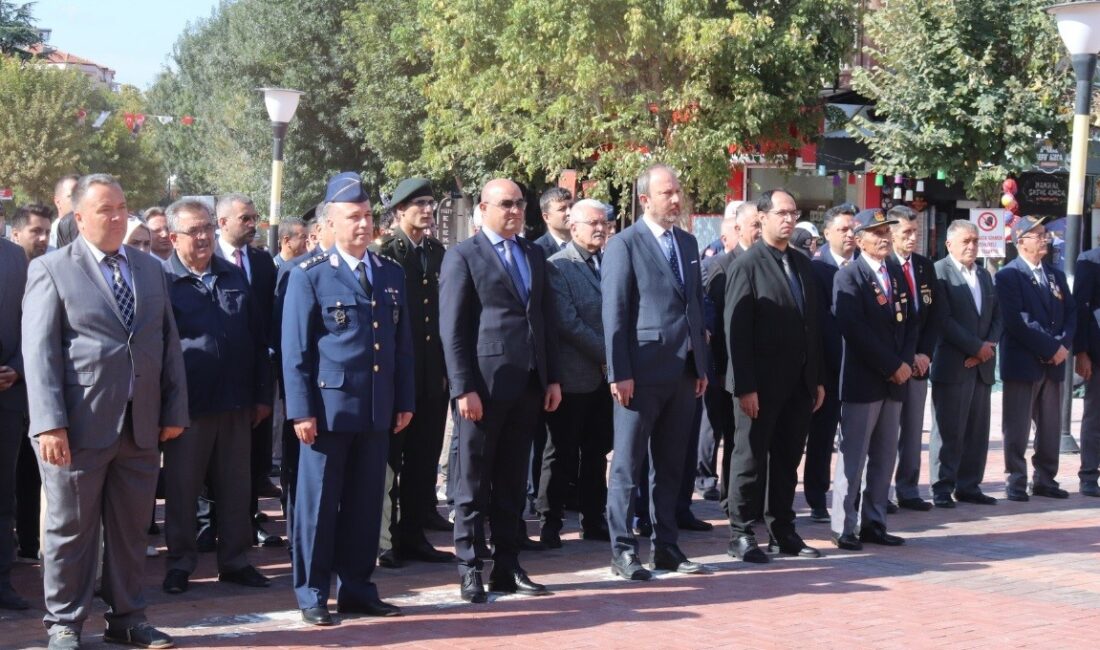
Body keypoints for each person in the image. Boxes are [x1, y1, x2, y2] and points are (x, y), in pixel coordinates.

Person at [23, 173, 189, 650]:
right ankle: (64, 623)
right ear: (78, 217)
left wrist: (174, 408)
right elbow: (40, 354)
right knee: (69, 531)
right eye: (104, 210)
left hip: (140, 425)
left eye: (121, 207)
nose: (117, 217)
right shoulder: (52, 269)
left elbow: (167, 343)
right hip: (76, 427)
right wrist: (50, 422)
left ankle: (128, 618)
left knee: (130, 529)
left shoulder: (149, 268)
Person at [282, 172, 415, 625]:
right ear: (330, 224)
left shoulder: (389, 273)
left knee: (364, 505)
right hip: (327, 411)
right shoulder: (310, 276)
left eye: (368, 216)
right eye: (353, 217)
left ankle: (358, 587)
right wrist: (300, 409)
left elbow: (402, 346)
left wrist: (404, 399)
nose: (364, 225)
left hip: (376, 408)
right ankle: (313, 592)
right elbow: (295, 352)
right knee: (318, 506)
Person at [439, 178, 562, 603]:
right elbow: (453, 329)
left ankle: (508, 567)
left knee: (513, 482)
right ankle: (470, 566)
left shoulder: (533, 254)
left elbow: (545, 320)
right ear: (484, 208)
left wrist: (551, 378)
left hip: (527, 383)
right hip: (483, 388)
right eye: (506, 204)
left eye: (520, 204)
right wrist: (463, 387)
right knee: (473, 481)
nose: (514, 211)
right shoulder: (463, 256)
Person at [160, 199, 273, 595]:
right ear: (174, 238)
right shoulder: (162, 281)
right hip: (187, 407)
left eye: (208, 227)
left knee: (236, 487)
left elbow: (259, 340)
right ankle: (181, 563)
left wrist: (261, 395)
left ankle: (236, 561)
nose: (205, 236)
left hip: (236, 403)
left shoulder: (233, 276)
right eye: (195, 231)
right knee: (182, 489)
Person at [603, 164, 708, 581]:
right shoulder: (624, 244)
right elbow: (615, 312)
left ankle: (666, 546)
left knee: (670, 466)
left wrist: (700, 363)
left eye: (678, 191)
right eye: (668, 193)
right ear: (645, 199)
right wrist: (619, 371)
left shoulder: (687, 242)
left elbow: (695, 305)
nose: (676, 200)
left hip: (682, 371)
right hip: (640, 372)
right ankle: (623, 550)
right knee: (627, 466)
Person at [724, 189, 825, 563]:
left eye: (793, 213)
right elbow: (737, 332)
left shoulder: (801, 264)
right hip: (760, 386)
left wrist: (816, 379)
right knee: (750, 457)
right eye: (781, 213)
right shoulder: (747, 265)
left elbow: (812, 325)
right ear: (762, 217)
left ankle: (782, 529)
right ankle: (741, 532)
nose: (788, 220)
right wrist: (745, 386)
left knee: (787, 459)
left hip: (798, 383)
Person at [371, 178, 454, 566]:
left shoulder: (438, 253)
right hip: (395, 375)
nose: (427, 210)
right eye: (419, 203)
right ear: (399, 211)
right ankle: (384, 540)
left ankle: (414, 534)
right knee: (390, 462)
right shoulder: (385, 253)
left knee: (423, 461)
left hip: (432, 376)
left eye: (431, 203)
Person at [830, 208, 916, 551]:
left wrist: (905, 362)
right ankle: (843, 526)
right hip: (864, 381)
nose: (883, 238)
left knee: (884, 456)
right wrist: (891, 364)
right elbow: (854, 329)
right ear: (860, 238)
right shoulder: (849, 276)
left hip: (895, 380)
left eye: (886, 232)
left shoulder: (895, 273)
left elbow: (910, 322)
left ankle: (874, 522)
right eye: (876, 233)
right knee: (854, 458)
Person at [539, 198, 614, 547]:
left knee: (597, 452)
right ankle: (550, 521)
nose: (600, 228)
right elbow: (567, 322)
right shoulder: (557, 266)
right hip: (572, 377)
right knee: (561, 452)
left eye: (605, 223)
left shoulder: (612, 261)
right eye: (593, 223)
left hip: (604, 379)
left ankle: (593, 518)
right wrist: (608, 353)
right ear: (573, 227)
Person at [213, 193, 281, 545]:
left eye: (254, 217)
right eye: (245, 218)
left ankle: (249, 517)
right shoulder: (206, 259)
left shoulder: (262, 261)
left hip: (255, 371)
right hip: (216, 376)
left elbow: (266, 321)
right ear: (222, 222)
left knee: (253, 454)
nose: (253, 224)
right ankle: (209, 522)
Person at [996, 216, 1075, 501]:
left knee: (1051, 426)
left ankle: (1045, 479)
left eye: (1044, 234)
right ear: (1021, 241)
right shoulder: (1008, 275)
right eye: (1038, 235)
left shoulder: (1054, 274)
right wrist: (1050, 347)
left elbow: (1071, 312)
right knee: (1017, 426)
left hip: (1054, 363)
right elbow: (1018, 321)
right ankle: (1016, 481)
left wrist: (1063, 344)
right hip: (1023, 362)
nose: (1045, 239)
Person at [929, 220, 1001, 506]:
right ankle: (942, 486)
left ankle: (969, 485)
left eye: (975, 241)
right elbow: (943, 320)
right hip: (953, 364)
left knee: (977, 430)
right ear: (949, 244)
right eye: (965, 241)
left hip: (982, 366)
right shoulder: (939, 273)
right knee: (949, 429)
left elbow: (998, 315)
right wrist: (974, 347)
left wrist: (987, 347)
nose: (972, 246)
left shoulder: (984, 274)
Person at [696, 202, 761, 503]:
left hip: (761, 367)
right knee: (729, 433)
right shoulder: (718, 265)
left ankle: (746, 497)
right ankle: (728, 497)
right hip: (726, 368)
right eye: (754, 226)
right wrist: (720, 369)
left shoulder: (771, 262)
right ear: (737, 229)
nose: (760, 232)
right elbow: (714, 323)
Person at [804, 204, 858, 522]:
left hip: (860, 369)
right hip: (827, 368)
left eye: (853, 229)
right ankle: (815, 498)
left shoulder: (865, 268)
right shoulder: (816, 269)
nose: (849, 235)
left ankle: (855, 495)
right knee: (821, 439)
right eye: (843, 229)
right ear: (826, 233)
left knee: (856, 438)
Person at [888, 206, 941, 511]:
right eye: (906, 233)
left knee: (911, 430)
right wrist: (906, 356)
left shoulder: (923, 266)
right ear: (891, 233)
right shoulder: (884, 266)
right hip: (893, 363)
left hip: (919, 364)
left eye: (915, 233)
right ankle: (880, 491)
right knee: (886, 433)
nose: (912, 238)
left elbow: (934, 315)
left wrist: (925, 353)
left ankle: (908, 489)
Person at [0, 233, 29, 610]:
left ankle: (2, 579)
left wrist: (18, 370)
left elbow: (34, 323)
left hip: (7, 395)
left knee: (3, 494)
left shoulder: (15, 257)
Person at [1075, 233, 1100, 497]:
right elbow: (1080, 309)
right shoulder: (1089, 261)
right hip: (1097, 352)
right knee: (1095, 417)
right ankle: (1089, 476)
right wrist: (1081, 351)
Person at [533, 187, 572, 258]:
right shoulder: (537, 250)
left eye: (571, 207)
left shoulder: (585, 241)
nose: (569, 212)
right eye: (562, 209)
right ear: (546, 217)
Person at [47, 174, 79, 249]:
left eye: (81, 196)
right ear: (57, 202)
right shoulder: (48, 239)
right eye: (73, 196)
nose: (79, 200)